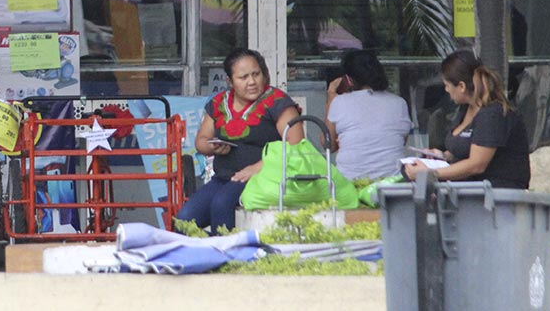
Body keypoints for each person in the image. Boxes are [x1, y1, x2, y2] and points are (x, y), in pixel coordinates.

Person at [176, 48, 303, 232]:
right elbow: (201, 141)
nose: (251, 82)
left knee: (221, 205)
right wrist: (214, 147)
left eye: (256, 74)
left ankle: (228, 258)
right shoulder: (219, 103)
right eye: (243, 77)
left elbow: (297, 144)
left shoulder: (277, 102)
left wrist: (258, 167)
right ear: (230, 81)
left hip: (264, 178)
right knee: (185, 218)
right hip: (223, 178)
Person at [403, 50, 531, 188]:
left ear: (462, 87)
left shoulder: (492, 114)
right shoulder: (465, 110)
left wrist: (431, 173)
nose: (446, 90)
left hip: (496, 195)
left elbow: (477, 164)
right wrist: (443, 156)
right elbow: (466, 147)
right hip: (466, 192)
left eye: (447, 85)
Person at [324, 50, 413, 179]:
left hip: (350, 183)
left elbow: (329, 145)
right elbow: (401, 140)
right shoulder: (399, 103)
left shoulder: (339, 102)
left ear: (348, 79)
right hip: (392, 185)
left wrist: (330, 98)